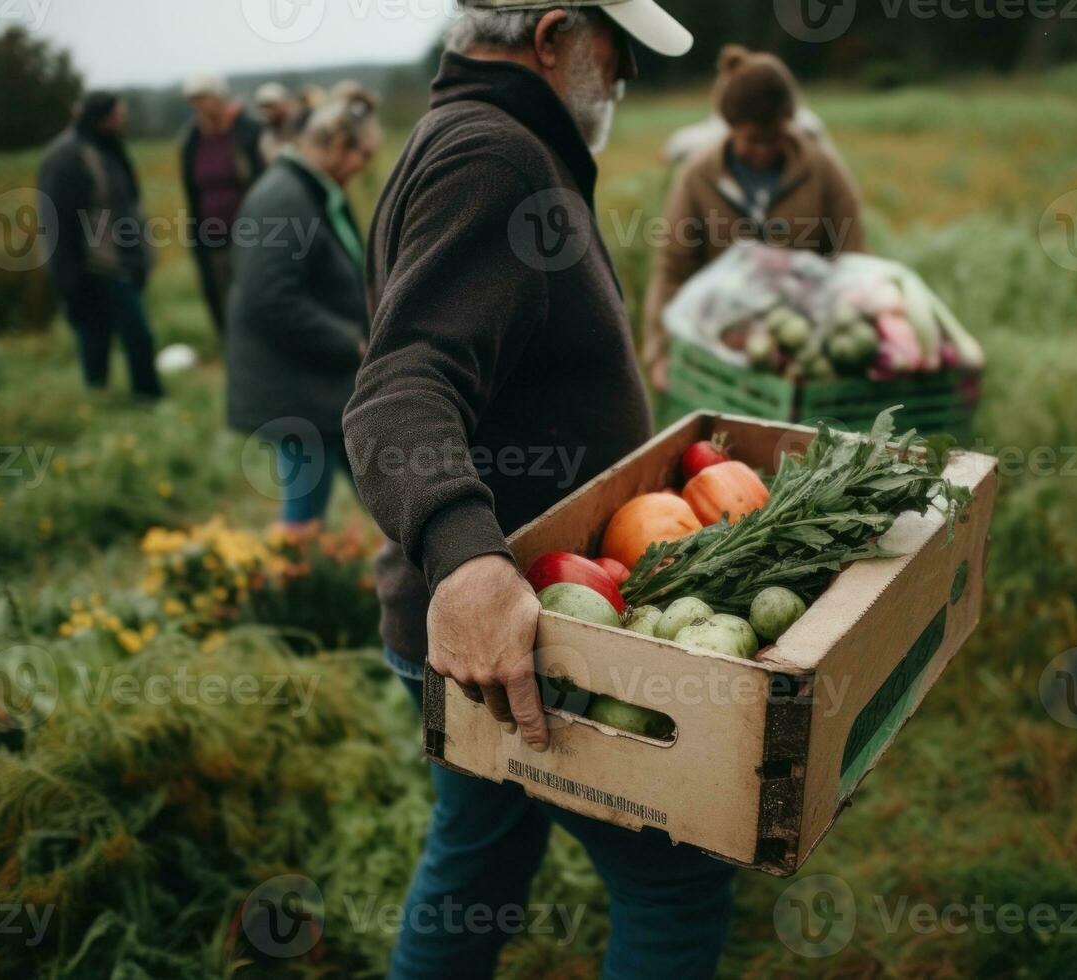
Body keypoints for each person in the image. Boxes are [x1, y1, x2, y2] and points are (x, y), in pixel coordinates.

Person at [343, 2, 737, 976]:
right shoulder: (496, 158)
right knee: (675, 880)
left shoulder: (482, 136)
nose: (629, 76)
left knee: (479, 858)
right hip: (517, 628)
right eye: (620, 48)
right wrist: (468, 557)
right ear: (555, 35)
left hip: (504, 630)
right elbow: (399, 387)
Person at [641, 45, 867, 390]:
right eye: (752, 140)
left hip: (803, 350)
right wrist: (660, 351)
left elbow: (853, 255)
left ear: (789, 123)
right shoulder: (698, 177)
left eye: (773, 138)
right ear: (729, 127)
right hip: (720, 346)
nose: (763, 150)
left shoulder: (821, 170)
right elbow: (673, 267)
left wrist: (851, 330)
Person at [227, 94, 380, 530]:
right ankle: (288, 590)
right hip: (293, 387)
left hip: (315, 383)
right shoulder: (283, 199)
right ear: (334, 144)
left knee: (365, 493)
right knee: (304, 507)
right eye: (363, 154)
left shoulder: (311, 190)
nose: (365, 165)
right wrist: (348, 340)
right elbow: (269, 297)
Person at [38, 91, 163, 400]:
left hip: (121, 259)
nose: (124, 121)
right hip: (96, 264)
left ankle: (103, 394)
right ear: (102, 118)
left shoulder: (108, 148)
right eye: (118, 116)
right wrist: (67, 278)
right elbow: (58, 222)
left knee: (102, 334)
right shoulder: (68, 157)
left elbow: (127, 202)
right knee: (129, 335)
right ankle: (142, 398)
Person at [179, 75, 264, 337]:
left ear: (219, 98)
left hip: (252, 232)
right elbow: (191, 190)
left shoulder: (247, 131)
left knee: (256, 292)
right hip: (213, 236)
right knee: (224, 297)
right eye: (194, 101)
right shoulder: (192, 140)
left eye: (204, 99)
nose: (200, 107)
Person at [253, 82, 297, 163]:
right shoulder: (263, 136)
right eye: (262, 107)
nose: (266, 112)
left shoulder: (300, 129)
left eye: (270, 106)